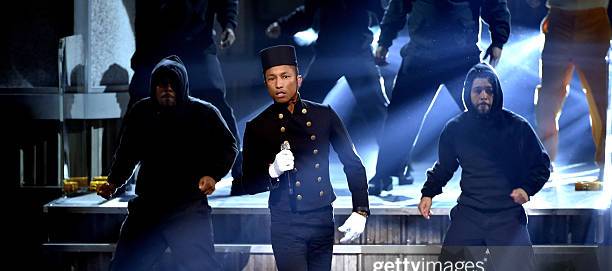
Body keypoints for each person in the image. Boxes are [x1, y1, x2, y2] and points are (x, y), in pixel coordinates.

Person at [84, 55, 242, 271]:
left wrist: (213, 174)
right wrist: (114, 182)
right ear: (153, 87)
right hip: (148, 209)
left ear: (181, 87)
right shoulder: (141, 112)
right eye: (160, 85)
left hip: (187, 209)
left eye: (171, 85)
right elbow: (126, 152)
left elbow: (229, 146)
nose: (166, 90)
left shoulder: (203, 112)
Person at [241, 45, 370, 271]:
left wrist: (361, 209)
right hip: (285, 221)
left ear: (298, 79)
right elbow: (244, 181)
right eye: (271, 78)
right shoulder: (259, 126)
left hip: (320, 217)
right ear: (265, 82)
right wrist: (271, 171)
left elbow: (353, 163)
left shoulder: (325, 116)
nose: (278, 84)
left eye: (285, 77)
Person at [417, 63, 551, 271]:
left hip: (506, 216)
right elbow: (445, 166)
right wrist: (429, 192)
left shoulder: (516, 126)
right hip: (470, 215)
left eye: (489, 91)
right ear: (469, 94)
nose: (483, 96)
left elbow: (541, 165)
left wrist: (526, 189)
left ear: (496, 94)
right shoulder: (456, 128)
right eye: (478, 91)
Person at [368, 0, 511, 195]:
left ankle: (499, 173)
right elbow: (398, 6)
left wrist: (498, 39)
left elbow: (493, 4)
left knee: (483, 114)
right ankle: (384, 174)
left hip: (461, 55)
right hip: (422, 55)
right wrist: (384, 41)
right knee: (401, 116)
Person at [129, 0, 245, 194]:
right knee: (139, 102)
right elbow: (143, 13)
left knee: (216, 101)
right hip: (157, 44)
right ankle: (118, 177)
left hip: (196, 43)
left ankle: (241, 171)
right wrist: (142, 58)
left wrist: (229, 24)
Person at [265, 0, 388, 146]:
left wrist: (385, 42)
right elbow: (307, 13)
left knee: (375, 107)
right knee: (302, 106)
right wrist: (283, 25)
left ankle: (393, 156)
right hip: (332, 53)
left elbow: (382, 12)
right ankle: (283, 149)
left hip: (355, 54)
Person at [531, 0, 611, 179]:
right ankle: (545, 160)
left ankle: (605, 163)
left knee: (599, 98)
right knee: (548, 97)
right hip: (560, 17)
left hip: (593, 17)